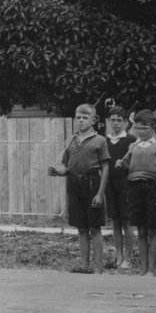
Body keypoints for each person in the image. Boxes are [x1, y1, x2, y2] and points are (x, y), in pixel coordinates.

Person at [47, 103, 110, 274]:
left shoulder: (100, 141)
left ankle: (98, 266)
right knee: (81, 227)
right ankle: (84, 264)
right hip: (75, 185)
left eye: (85, 117)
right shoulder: (70, 141)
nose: (81, 120)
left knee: (94, 228)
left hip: (93, 184)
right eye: (78, 117)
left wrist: (100, 193)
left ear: (93, 120)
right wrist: (59, 172)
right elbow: (67, 167)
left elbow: (105, 168)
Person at [116, 109, 156, 277]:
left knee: (152, 230)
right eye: (138, 128)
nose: (141, 131)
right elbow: (129, 171)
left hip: (152, 188)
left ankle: (152, 270)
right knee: (141, 230)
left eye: (145, 128)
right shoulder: (132, 146)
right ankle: (143, 268)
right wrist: (122, 166)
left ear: (153, 128)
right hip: (134, 189)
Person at [104, 106, 136, 269]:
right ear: (109, 122)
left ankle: (128, 258)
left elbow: (135, 166)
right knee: (115, 222)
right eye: (112, 120)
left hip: (126, 186)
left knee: (126, 222)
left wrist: (125, 165)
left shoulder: (130, 141)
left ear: (124, 122)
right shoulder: (105, 141)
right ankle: (119, 255)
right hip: (110, 185)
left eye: (119, 120)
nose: (115, 123)